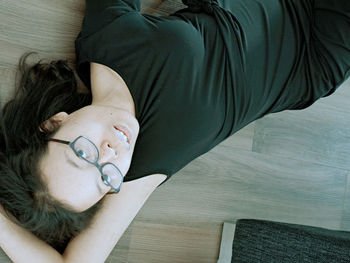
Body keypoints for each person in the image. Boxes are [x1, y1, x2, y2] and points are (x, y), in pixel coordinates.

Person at [0, 0, 349, 261]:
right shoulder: (143, 166)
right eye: (104, 178)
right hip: (316, 48)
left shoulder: (107, 39)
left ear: (54, 122)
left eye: (83, 152)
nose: (110, 154)